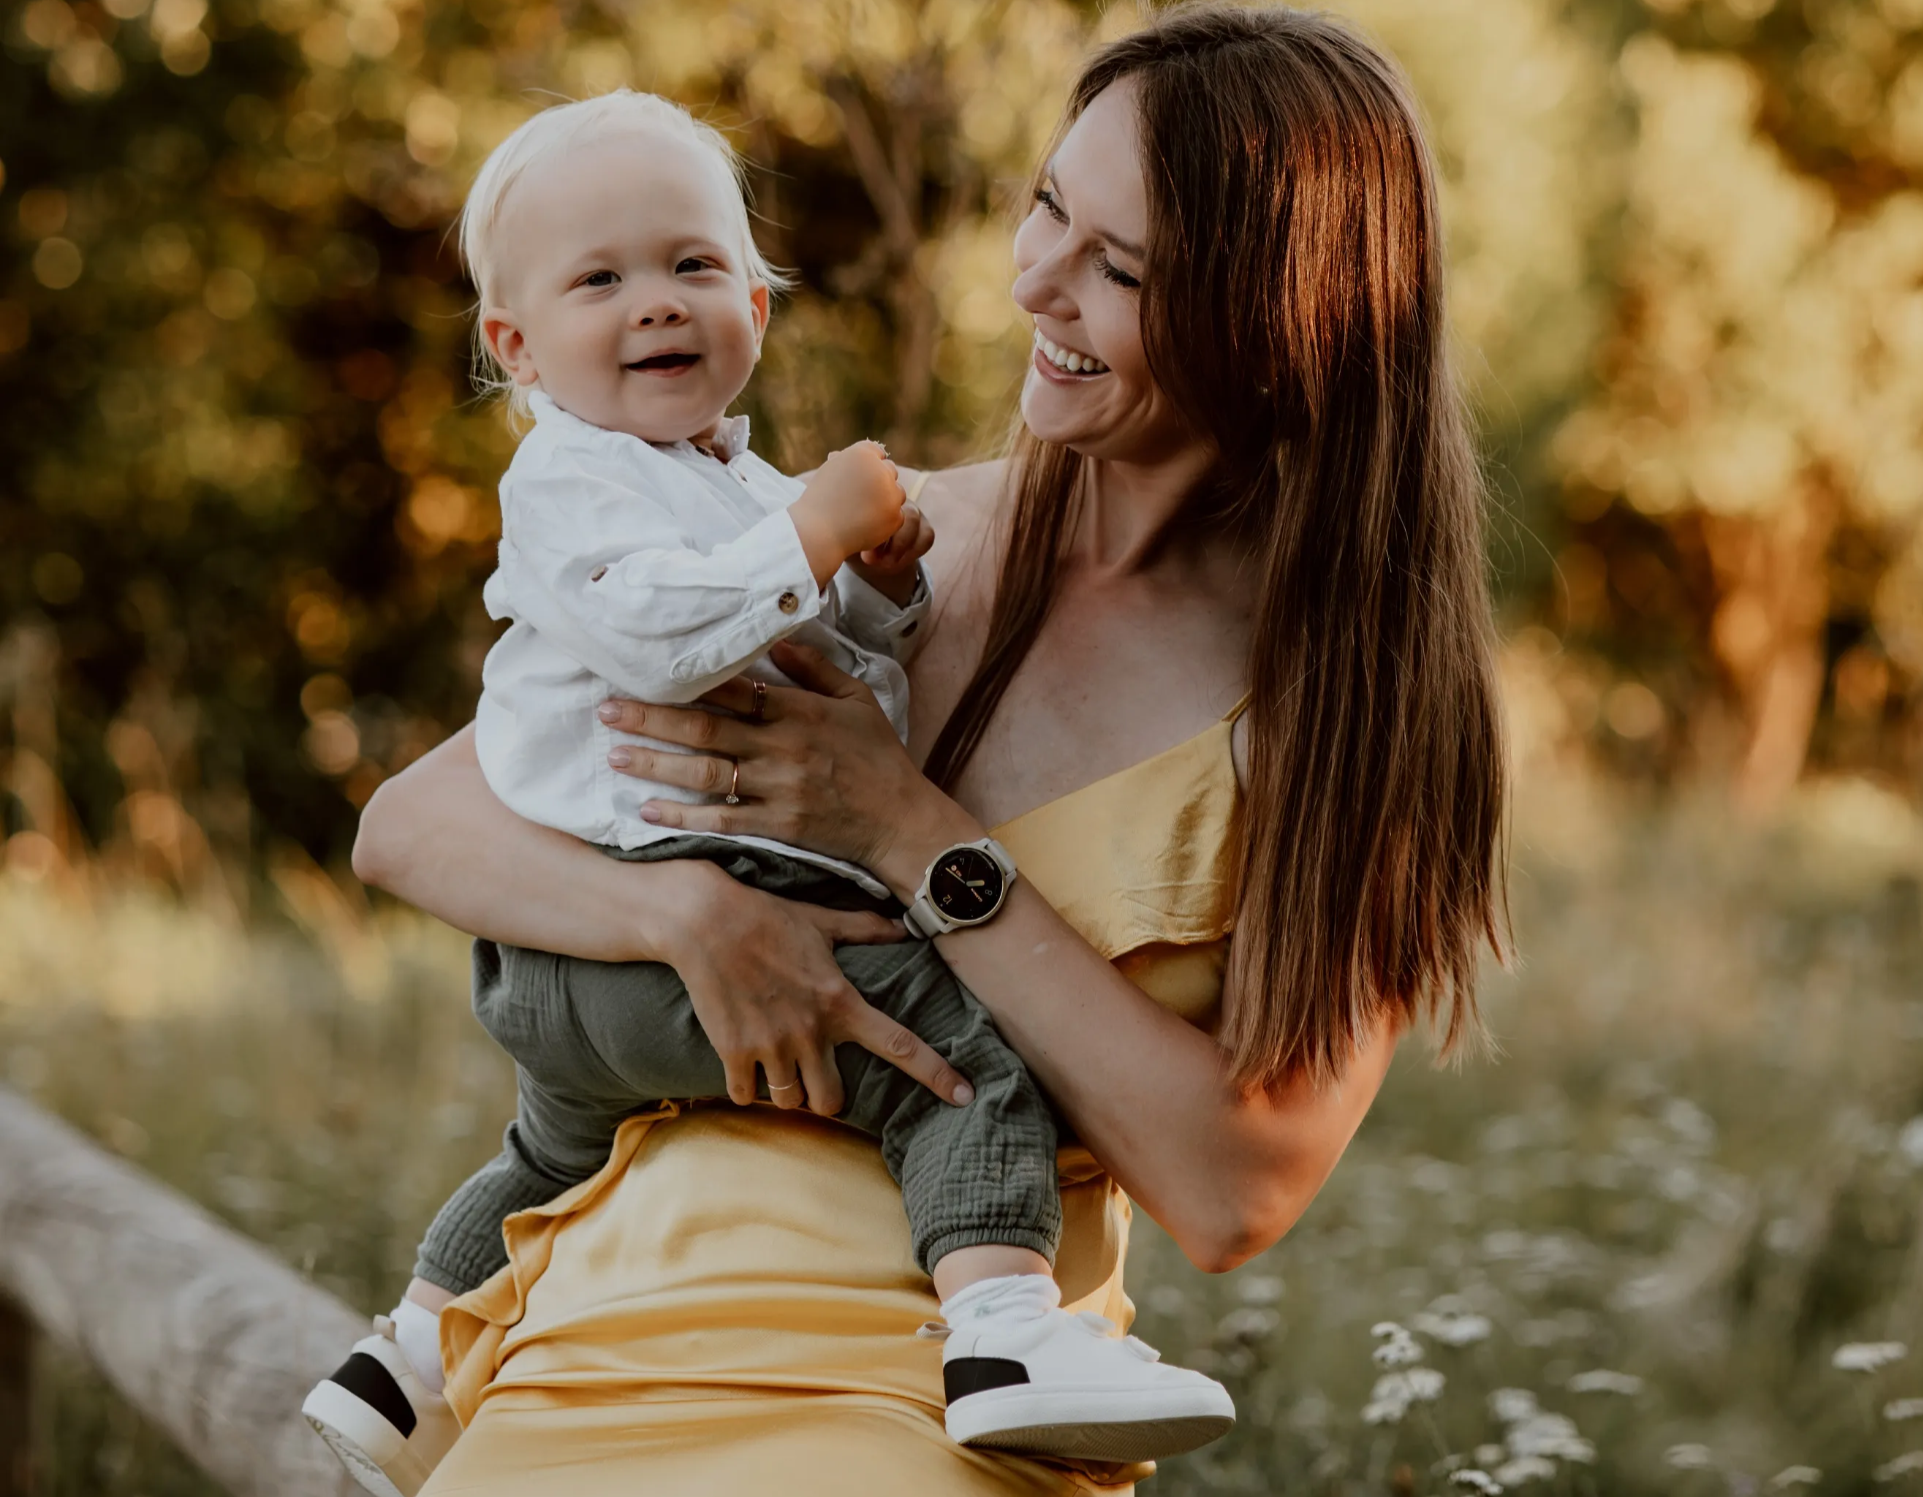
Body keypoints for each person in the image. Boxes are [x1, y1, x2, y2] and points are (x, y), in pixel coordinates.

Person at [351, 0, 1507, 1494]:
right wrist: (686, 916)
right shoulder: (898, 547)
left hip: (945, 1396)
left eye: (1119, 268)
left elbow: (1238, 1190)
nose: (1036, 281)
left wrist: (919, 840)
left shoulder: (1344, 706)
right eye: (1046, 210)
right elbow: (413, 824)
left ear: (1278, 318)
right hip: (593, 1333)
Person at [301, 90, 1232, 1497]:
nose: (654, 307)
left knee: (545, 1145)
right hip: (612, 1001)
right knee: (965, 1069)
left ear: (757, 298)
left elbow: (844, 663)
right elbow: (431, 802)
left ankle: (412, 1356)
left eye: (691, 268)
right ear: (515, 345)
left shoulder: (743, 491)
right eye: (1047, 211)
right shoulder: (585, 483)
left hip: (613, 1063)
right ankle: (1000, 1335)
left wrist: (887, 586)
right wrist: (688, 917)